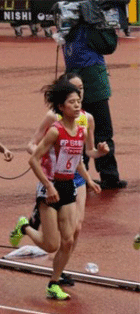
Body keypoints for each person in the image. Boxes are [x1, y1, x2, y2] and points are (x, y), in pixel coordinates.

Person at [9, 80, 106, 300]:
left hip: (68, 186)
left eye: (78, 101)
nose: (76, 105)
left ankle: (53, 283)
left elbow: (77, 160)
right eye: (71, 102)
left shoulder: (81, 130)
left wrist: (89, 180)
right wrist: (49, 185)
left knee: (69, 239)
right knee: (51, 244)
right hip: (49, 187)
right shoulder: (55, 131)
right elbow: (33, 161)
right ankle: (25, 226)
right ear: (61, 107)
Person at [62, 23, 127, 189]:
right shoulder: (91, 24)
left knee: (77, 130)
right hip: (93, 81)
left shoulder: (67, 25)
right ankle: (109, 175)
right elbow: (108, 46)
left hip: (74, 79)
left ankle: (77, 174)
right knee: (101, 131)